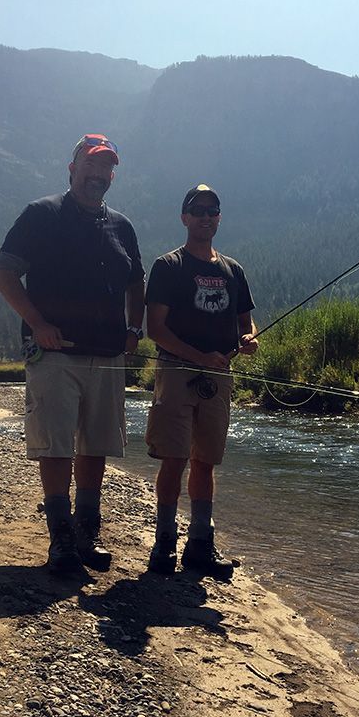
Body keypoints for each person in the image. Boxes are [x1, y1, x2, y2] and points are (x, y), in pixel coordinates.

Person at [0, 134, 145, 572]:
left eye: (106, 168)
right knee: (56, 446)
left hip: (108, 355)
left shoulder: (122, 225)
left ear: (112, 175)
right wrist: (38, 325)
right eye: (91, 166)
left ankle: (85, 534)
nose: (98, 175)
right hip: (54, 354)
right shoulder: (40, 215)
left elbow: (137, 281)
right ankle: (60, 541)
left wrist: (134, 328)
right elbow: (4, 274)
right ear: (72, 168)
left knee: (95, 445)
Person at [144, 184, 258, 580]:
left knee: (206, 462)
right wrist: (199, 357)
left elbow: (246, 323)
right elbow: (155, 329)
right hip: (175, 373)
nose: (206, 216)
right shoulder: (168, 266)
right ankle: (163, 545)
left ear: (219, 218)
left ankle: (199, 547)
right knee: (174, 460)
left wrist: (249, 340)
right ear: (185, 218)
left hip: (218, 378)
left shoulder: (233, 271)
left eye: (212, 210)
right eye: (198, 210)